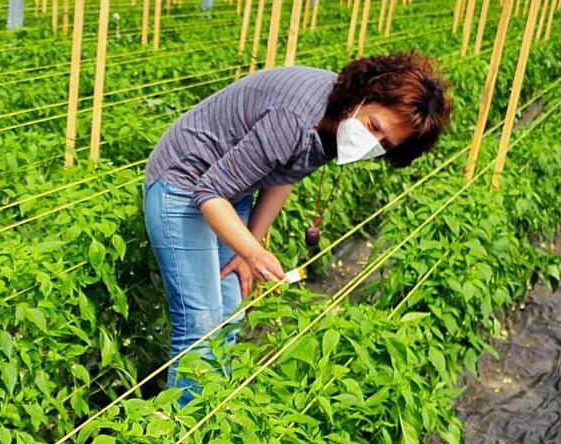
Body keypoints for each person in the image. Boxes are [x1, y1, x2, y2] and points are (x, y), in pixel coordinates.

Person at [142, 51, 453, 407]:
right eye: (374, 127)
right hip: (184, 185)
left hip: (231, 187)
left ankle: (208, 407)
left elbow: (284, 173)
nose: (371, 143)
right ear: (363, 96)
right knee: (201, 322)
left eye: (384, 145)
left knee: (231, 308)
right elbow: (208, 191)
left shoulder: (334, 118)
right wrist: (252, 252)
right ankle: (179, 433)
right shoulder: (296, 117)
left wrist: (250, 246)